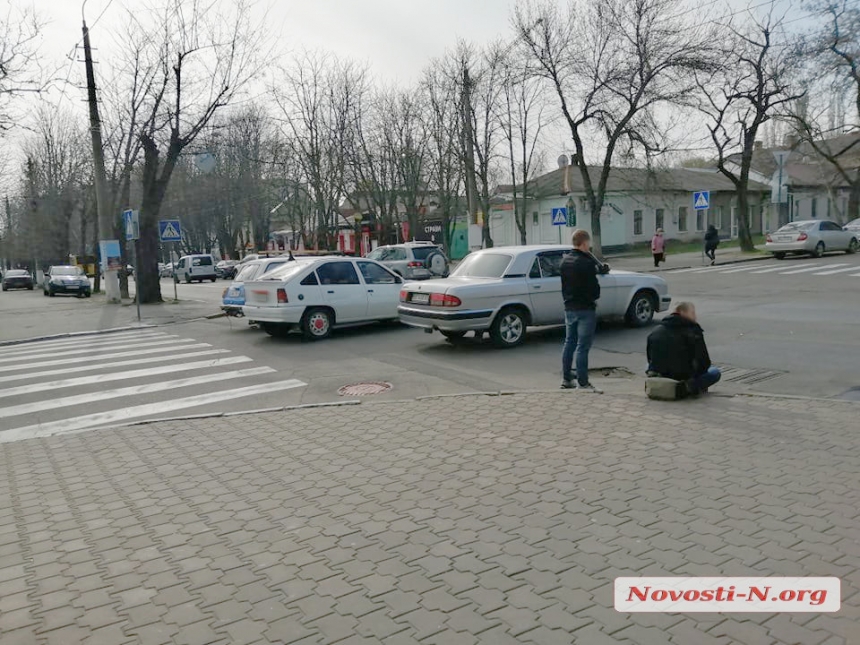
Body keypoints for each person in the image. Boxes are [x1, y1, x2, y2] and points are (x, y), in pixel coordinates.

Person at [560, 229, 604, 392]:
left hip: (569, 307)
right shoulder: (587, 263)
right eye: (589, 243)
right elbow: (595, 291)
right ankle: (583, 382)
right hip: (586, 308)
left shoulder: (565, 261)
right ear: (585, 243)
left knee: (569, 343)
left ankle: (566, 379)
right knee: (582, 347)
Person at [646, 302, 721, 397]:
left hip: (661, 373)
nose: (695, 316)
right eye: (692, 313)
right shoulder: (694, 331)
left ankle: (657, 380)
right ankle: (687, 387)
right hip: (683, 377)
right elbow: (704, 364)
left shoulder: (656, 330)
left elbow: (649, 358)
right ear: (681, 312)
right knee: (715, 372)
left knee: (649, 365)